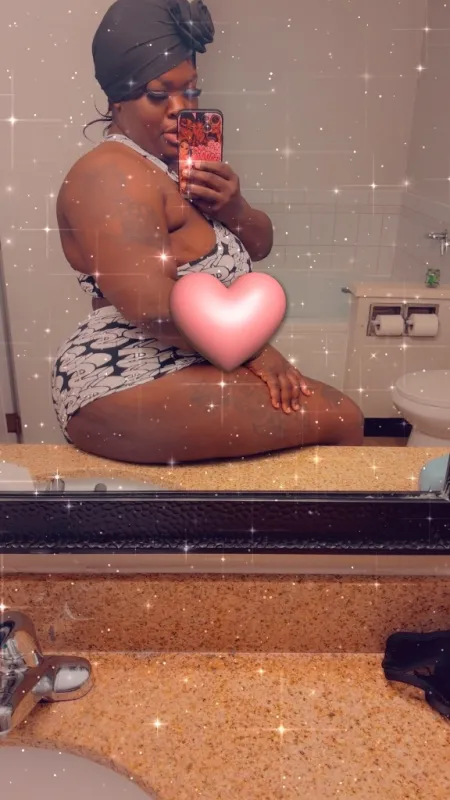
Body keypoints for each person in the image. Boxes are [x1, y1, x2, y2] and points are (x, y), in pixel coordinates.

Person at [51, 0, 364, 465]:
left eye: (191, 91)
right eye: (159, 95)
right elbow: (151, 304)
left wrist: (235, 207)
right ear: (119, 98)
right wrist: (256, 353)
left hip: (191, 358)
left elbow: (260, 244)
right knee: (342, 419)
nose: (181, 110)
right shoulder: (112, 174)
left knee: (328, 419)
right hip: (125, 372)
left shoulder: (173, 166)